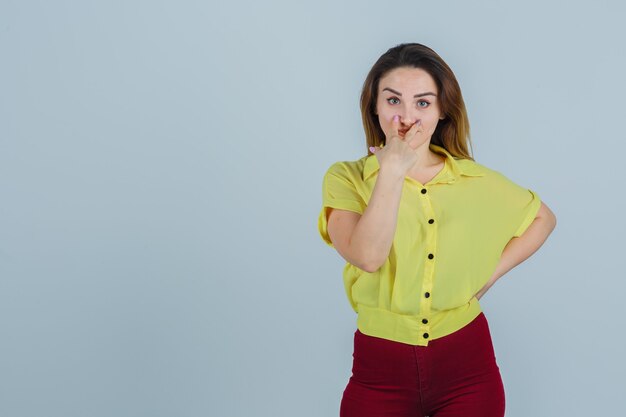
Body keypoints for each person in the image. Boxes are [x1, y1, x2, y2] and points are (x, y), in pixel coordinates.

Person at [317, 43, 557, 417]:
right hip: (378, 372)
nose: (407, 117)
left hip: (468, 370)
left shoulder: (473, 179)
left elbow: (543, 219)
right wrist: (393, 171)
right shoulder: (346, 179)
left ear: (442, 110)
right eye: (393, 101)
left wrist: (487, 276)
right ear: (374, 106)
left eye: (423, 103)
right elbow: (367, 256)